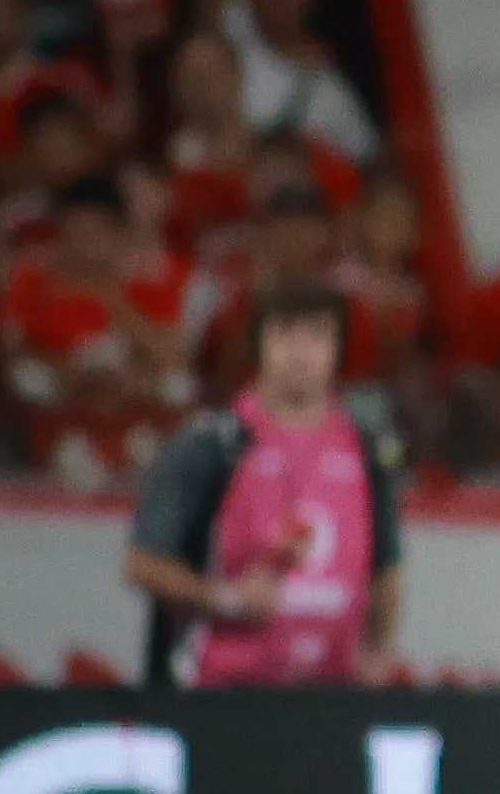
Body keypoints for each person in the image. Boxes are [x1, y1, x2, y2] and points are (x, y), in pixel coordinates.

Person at [123, 282, 403, 687]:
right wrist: (225, 597)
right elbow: (143, 562)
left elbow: (386, 567)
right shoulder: (215, 442)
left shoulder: (365, 448)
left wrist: (378, 650)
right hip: (221, 686)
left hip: (331, 688)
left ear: (338, 349)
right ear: (260, 343)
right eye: (285, 333)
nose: (300, 352)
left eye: (317, 335)